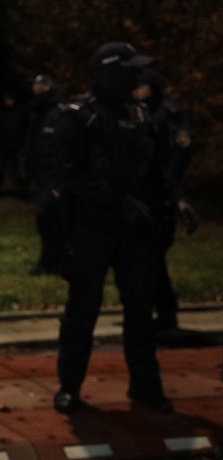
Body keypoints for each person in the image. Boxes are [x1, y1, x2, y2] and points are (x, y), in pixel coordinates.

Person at [52, 42, 172, 415]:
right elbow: (68, 175)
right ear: (109, 72)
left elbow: (152, 169)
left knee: (140, 309)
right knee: (82, 311)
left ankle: (146, 385)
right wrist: (117, 202)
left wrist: (169, 202)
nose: (138, 77)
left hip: (134, 231)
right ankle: (69, 386)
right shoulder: (78, 115)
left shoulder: (139, 113)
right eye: (130, 70)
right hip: (92, 228)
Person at [132, 67, 199, 335]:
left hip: (161, 196)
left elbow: (177, 157)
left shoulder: (170, 114)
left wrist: (175, 195)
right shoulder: (140, 110)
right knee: (147, 260)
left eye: (141, 86)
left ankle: (165, 314)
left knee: (152, 259)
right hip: (147, 194)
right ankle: (158, 312)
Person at [22, 74, 65, 276]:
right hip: (41, 175)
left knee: (46, 217)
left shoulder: (58, 113)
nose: (37, 89)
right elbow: (32, 143)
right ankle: (52, 260)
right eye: (36, 85)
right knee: (49, 219)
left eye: (42, 85)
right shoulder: (36, 113)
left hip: (55, 175)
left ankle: (51, 262)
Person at [0, 86, 29, 199]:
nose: (8, 101)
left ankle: (24, 193)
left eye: (10, 99)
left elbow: (25, 128)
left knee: (20, 171)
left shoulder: (20, 112)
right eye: (7, 99)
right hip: (3, 146)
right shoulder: (0, 112)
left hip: (17, 145)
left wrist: (24, 144)